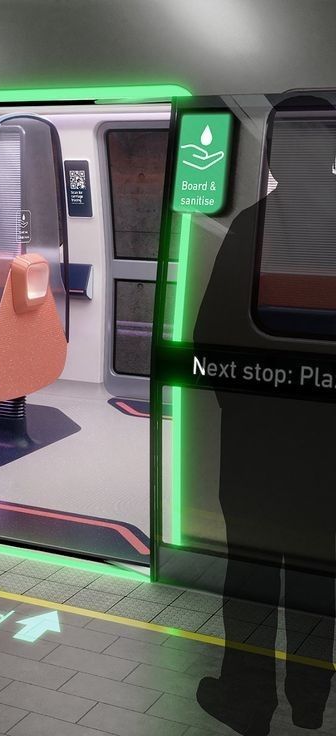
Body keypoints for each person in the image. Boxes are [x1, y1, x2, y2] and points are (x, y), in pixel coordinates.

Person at [195, 95, 336, 734]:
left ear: (278, 155)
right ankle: (310, 703)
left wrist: (247, 406)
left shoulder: (253, 228)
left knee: (251, 574)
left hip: (255, 446)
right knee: (317, 576)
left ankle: (249, 701)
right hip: (328, 448)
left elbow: (208, 340)